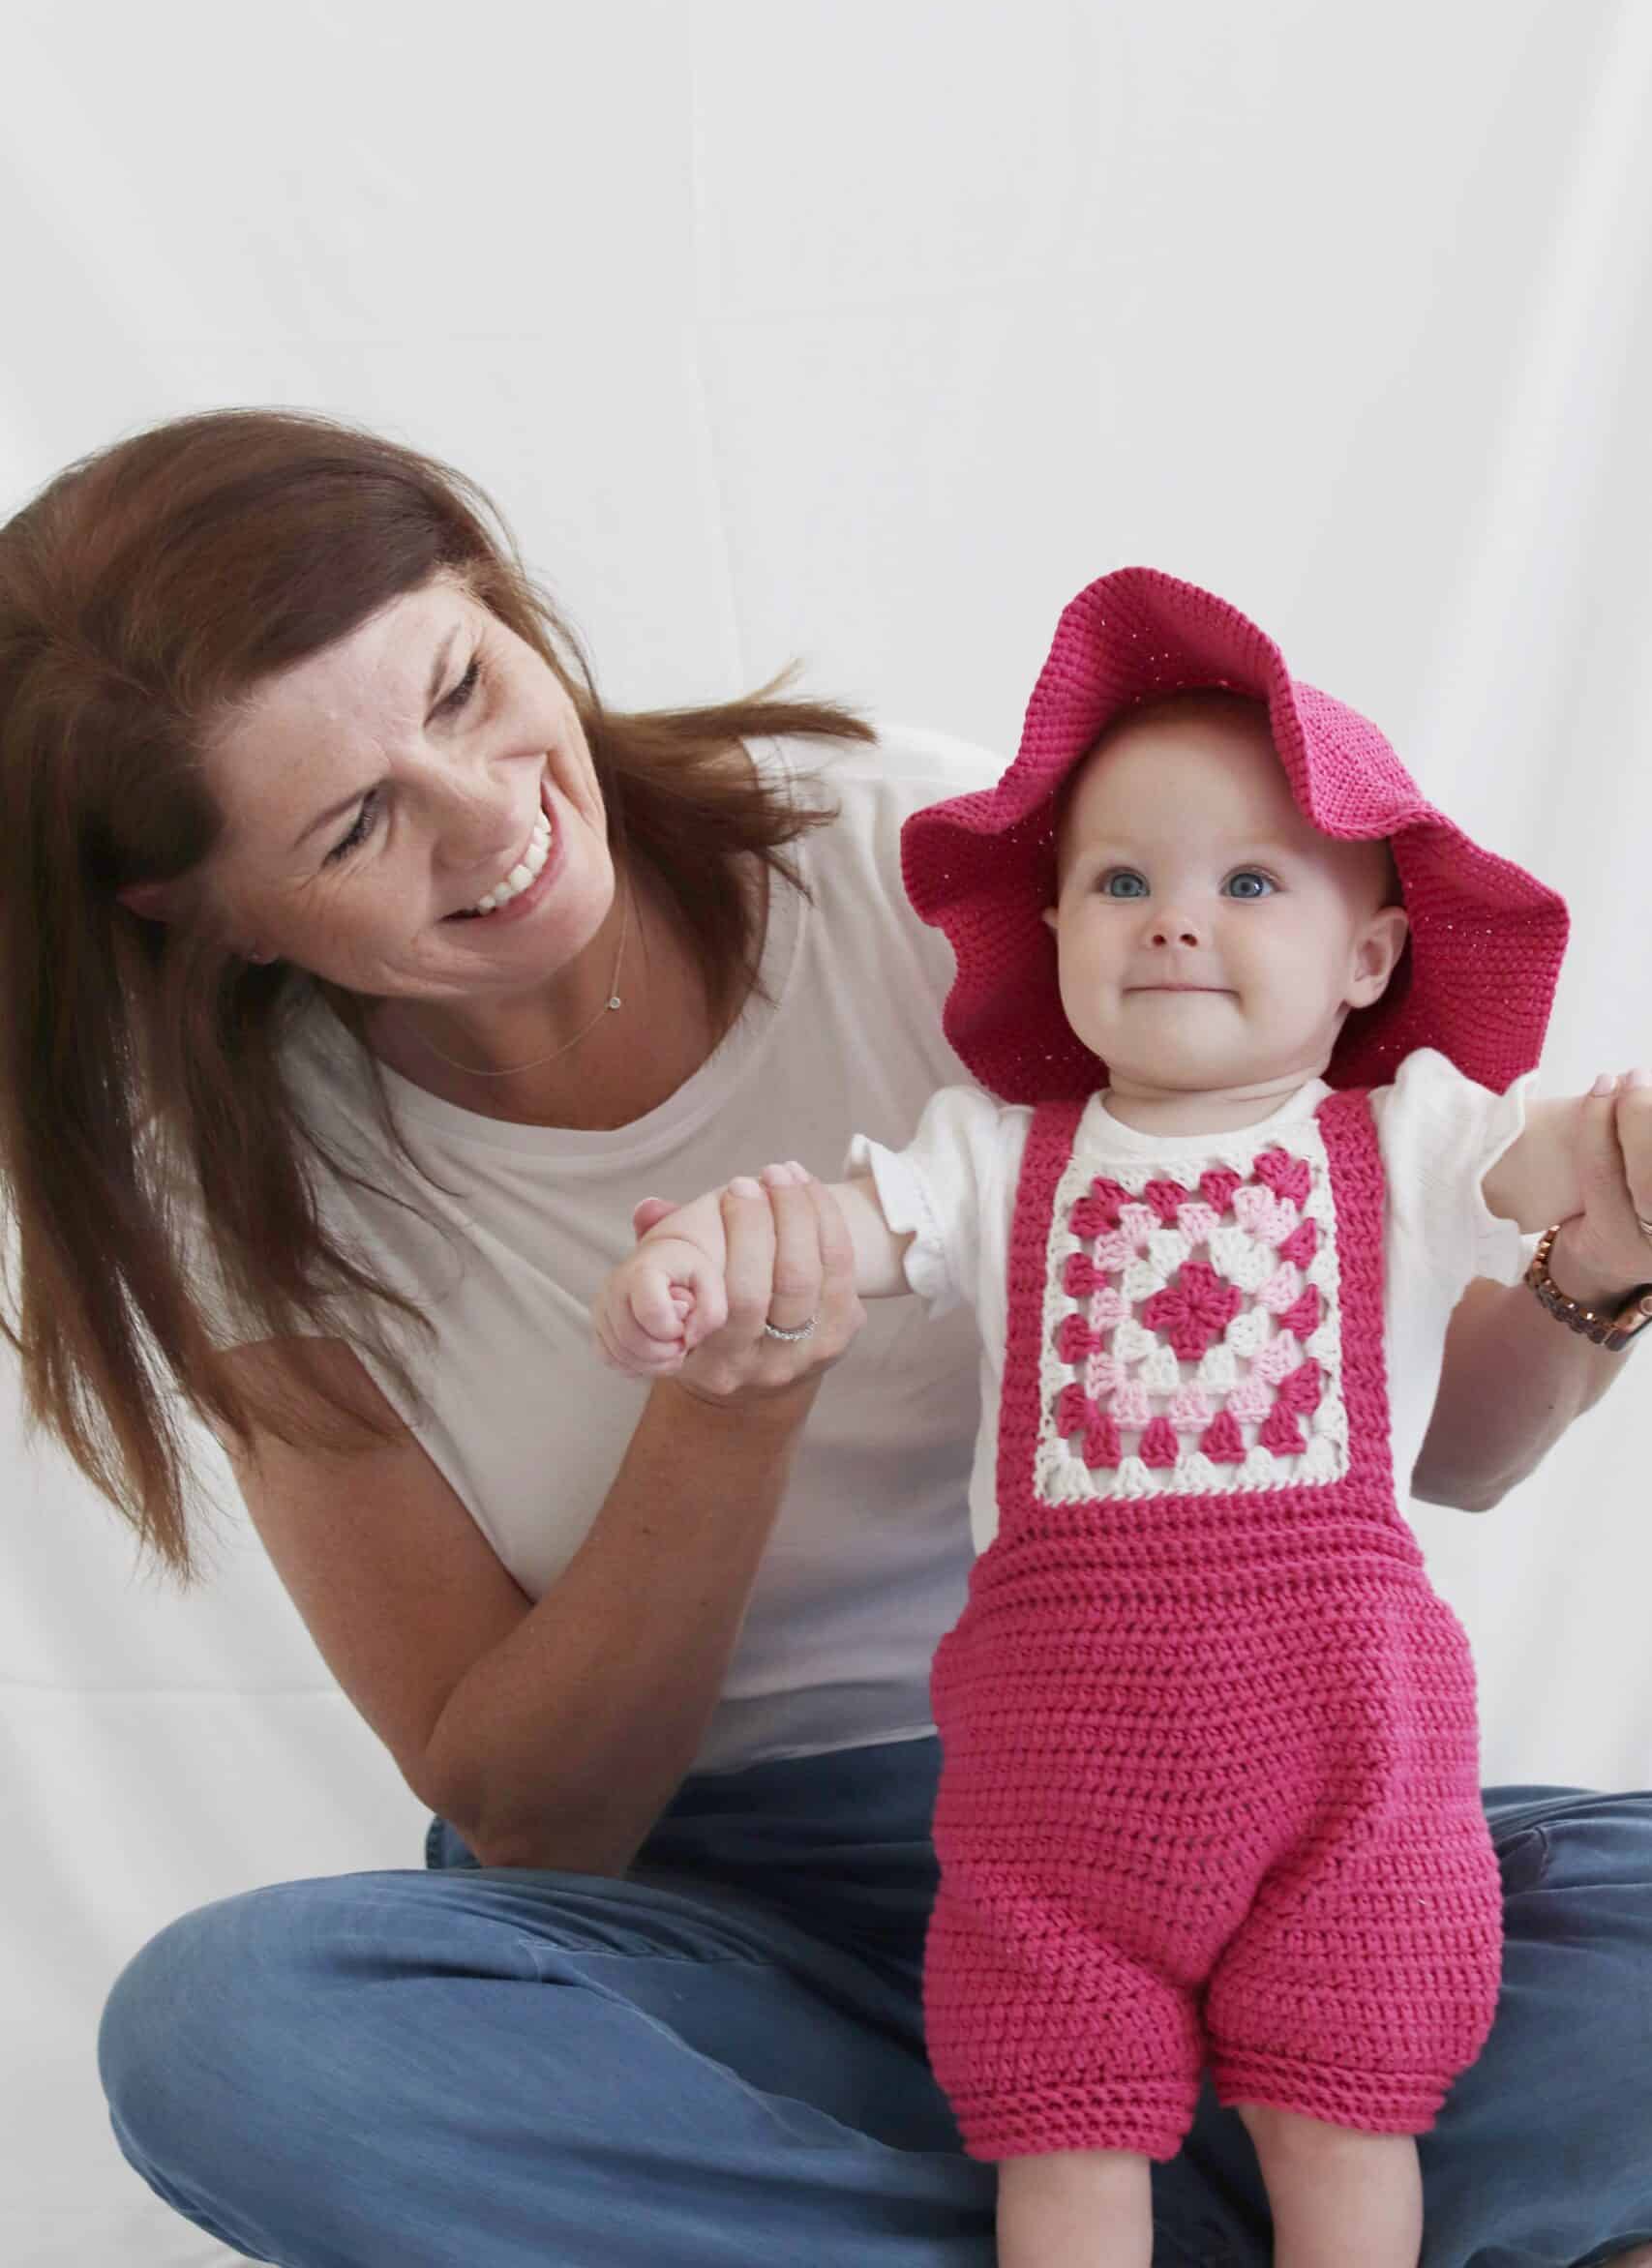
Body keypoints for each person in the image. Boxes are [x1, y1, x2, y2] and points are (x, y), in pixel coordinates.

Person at [0, 414, 1646, 2268]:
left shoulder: (925, 875)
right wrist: (723, 1424)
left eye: (463, 687)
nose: (490, 817)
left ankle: (1095, 2187)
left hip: (1235, 1795)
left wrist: (1602, 1266)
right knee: (235, 2036)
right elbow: (534, 1810)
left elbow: (1414, 1437)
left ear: (495, 595)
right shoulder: (254, 1197)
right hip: (733, 1931)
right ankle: (1270, 2195)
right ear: (193, 913)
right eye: (357, 824)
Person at [594, 567, 1648, 2268]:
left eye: (1248, 881)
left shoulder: (1409, 1140)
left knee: (1349, 2101)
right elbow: (841, 1238)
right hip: (1052, 1777)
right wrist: (715, 1259)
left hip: (1349, 1753)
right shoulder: (997, 1157)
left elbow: (1568, 1170)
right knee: (1060, 2123)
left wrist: (1626, 1152)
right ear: (1058, 929)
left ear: (1369, 951)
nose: (1175, 918)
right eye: (1121, 881)